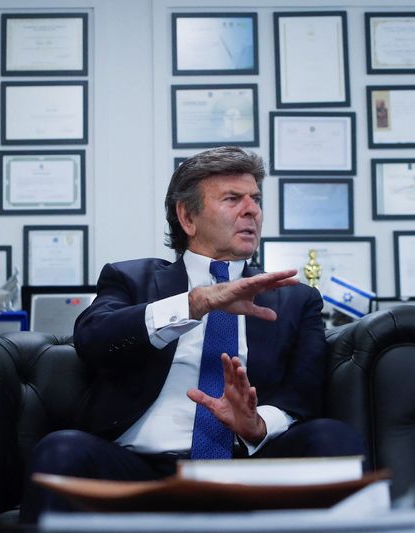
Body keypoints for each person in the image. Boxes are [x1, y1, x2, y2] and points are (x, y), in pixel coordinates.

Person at [20, 146, 365, 522]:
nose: (252, 210)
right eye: (233, 199)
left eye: (256, 199)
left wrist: (258, 424)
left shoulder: (295, 300)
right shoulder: (131, 279)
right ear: (187, 217)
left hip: (250, 468)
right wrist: (195, 303)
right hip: (140, 470)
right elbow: (93, 339)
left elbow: (303, 394)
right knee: (61, 451)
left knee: (335, 441)